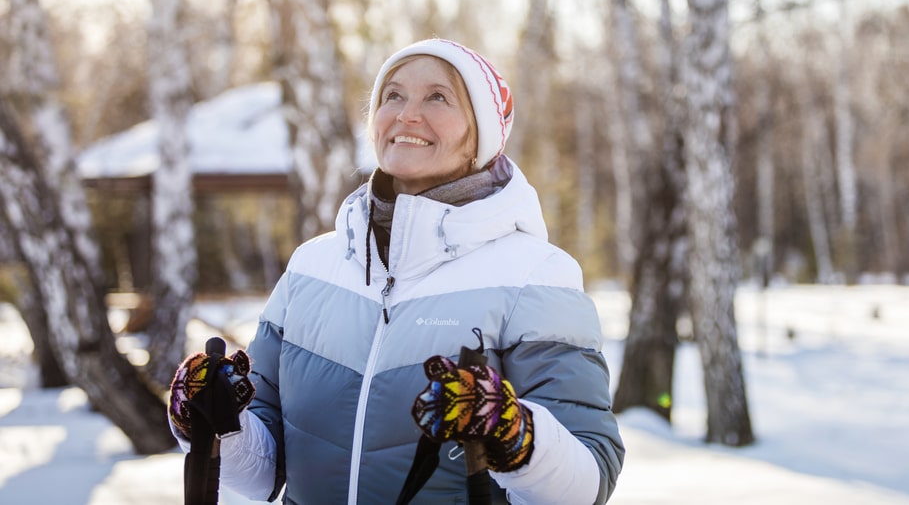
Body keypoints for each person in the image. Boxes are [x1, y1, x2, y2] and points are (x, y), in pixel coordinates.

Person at [168, 39, 625, 504]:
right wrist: (214, 421)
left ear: (480, 136)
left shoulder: (535, 276)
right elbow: (263, 476)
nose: (407, 114)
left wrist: (514, 434)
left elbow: (587, 484)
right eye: (393, 95)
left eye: (438, 97)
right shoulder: (312, 268)